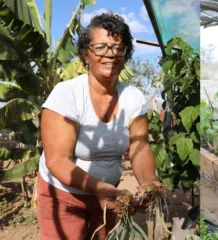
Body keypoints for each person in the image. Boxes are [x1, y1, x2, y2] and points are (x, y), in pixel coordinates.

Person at [37, 12, 157, 240]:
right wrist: (97, 187)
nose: (110, 54)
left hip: (109, 194)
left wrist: (148, 185)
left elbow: (139, 147)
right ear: (85, 54)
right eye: (100, 47)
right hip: (64, 194)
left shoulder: (133, 97)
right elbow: (57, 159)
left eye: (118, 48)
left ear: (125, 54)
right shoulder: (67, 94)